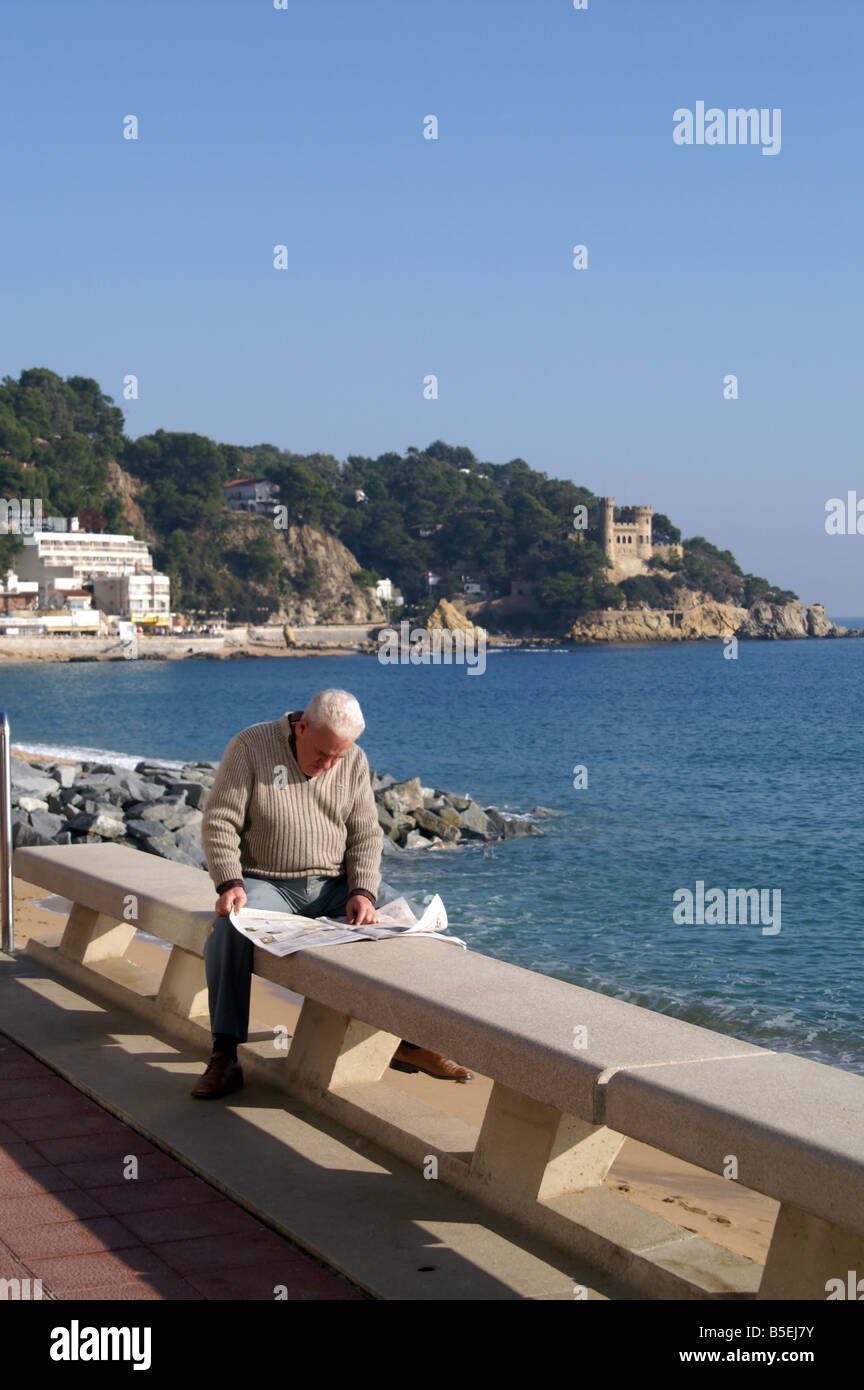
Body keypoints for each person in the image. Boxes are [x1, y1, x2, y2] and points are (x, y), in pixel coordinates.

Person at [193, 688, 473, 1097]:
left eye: (337, 757)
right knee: (229, 933)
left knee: (410, 923)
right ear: (301, 726)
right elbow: (220, 822)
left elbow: (365, 833)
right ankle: (225, 1054)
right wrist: (229, 883)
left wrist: (363, 890)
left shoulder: (353, 761)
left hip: (333, 885)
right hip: (267, 882)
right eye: (323, 754)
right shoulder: (251, 746)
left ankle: (411, 1043)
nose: (328, 766)